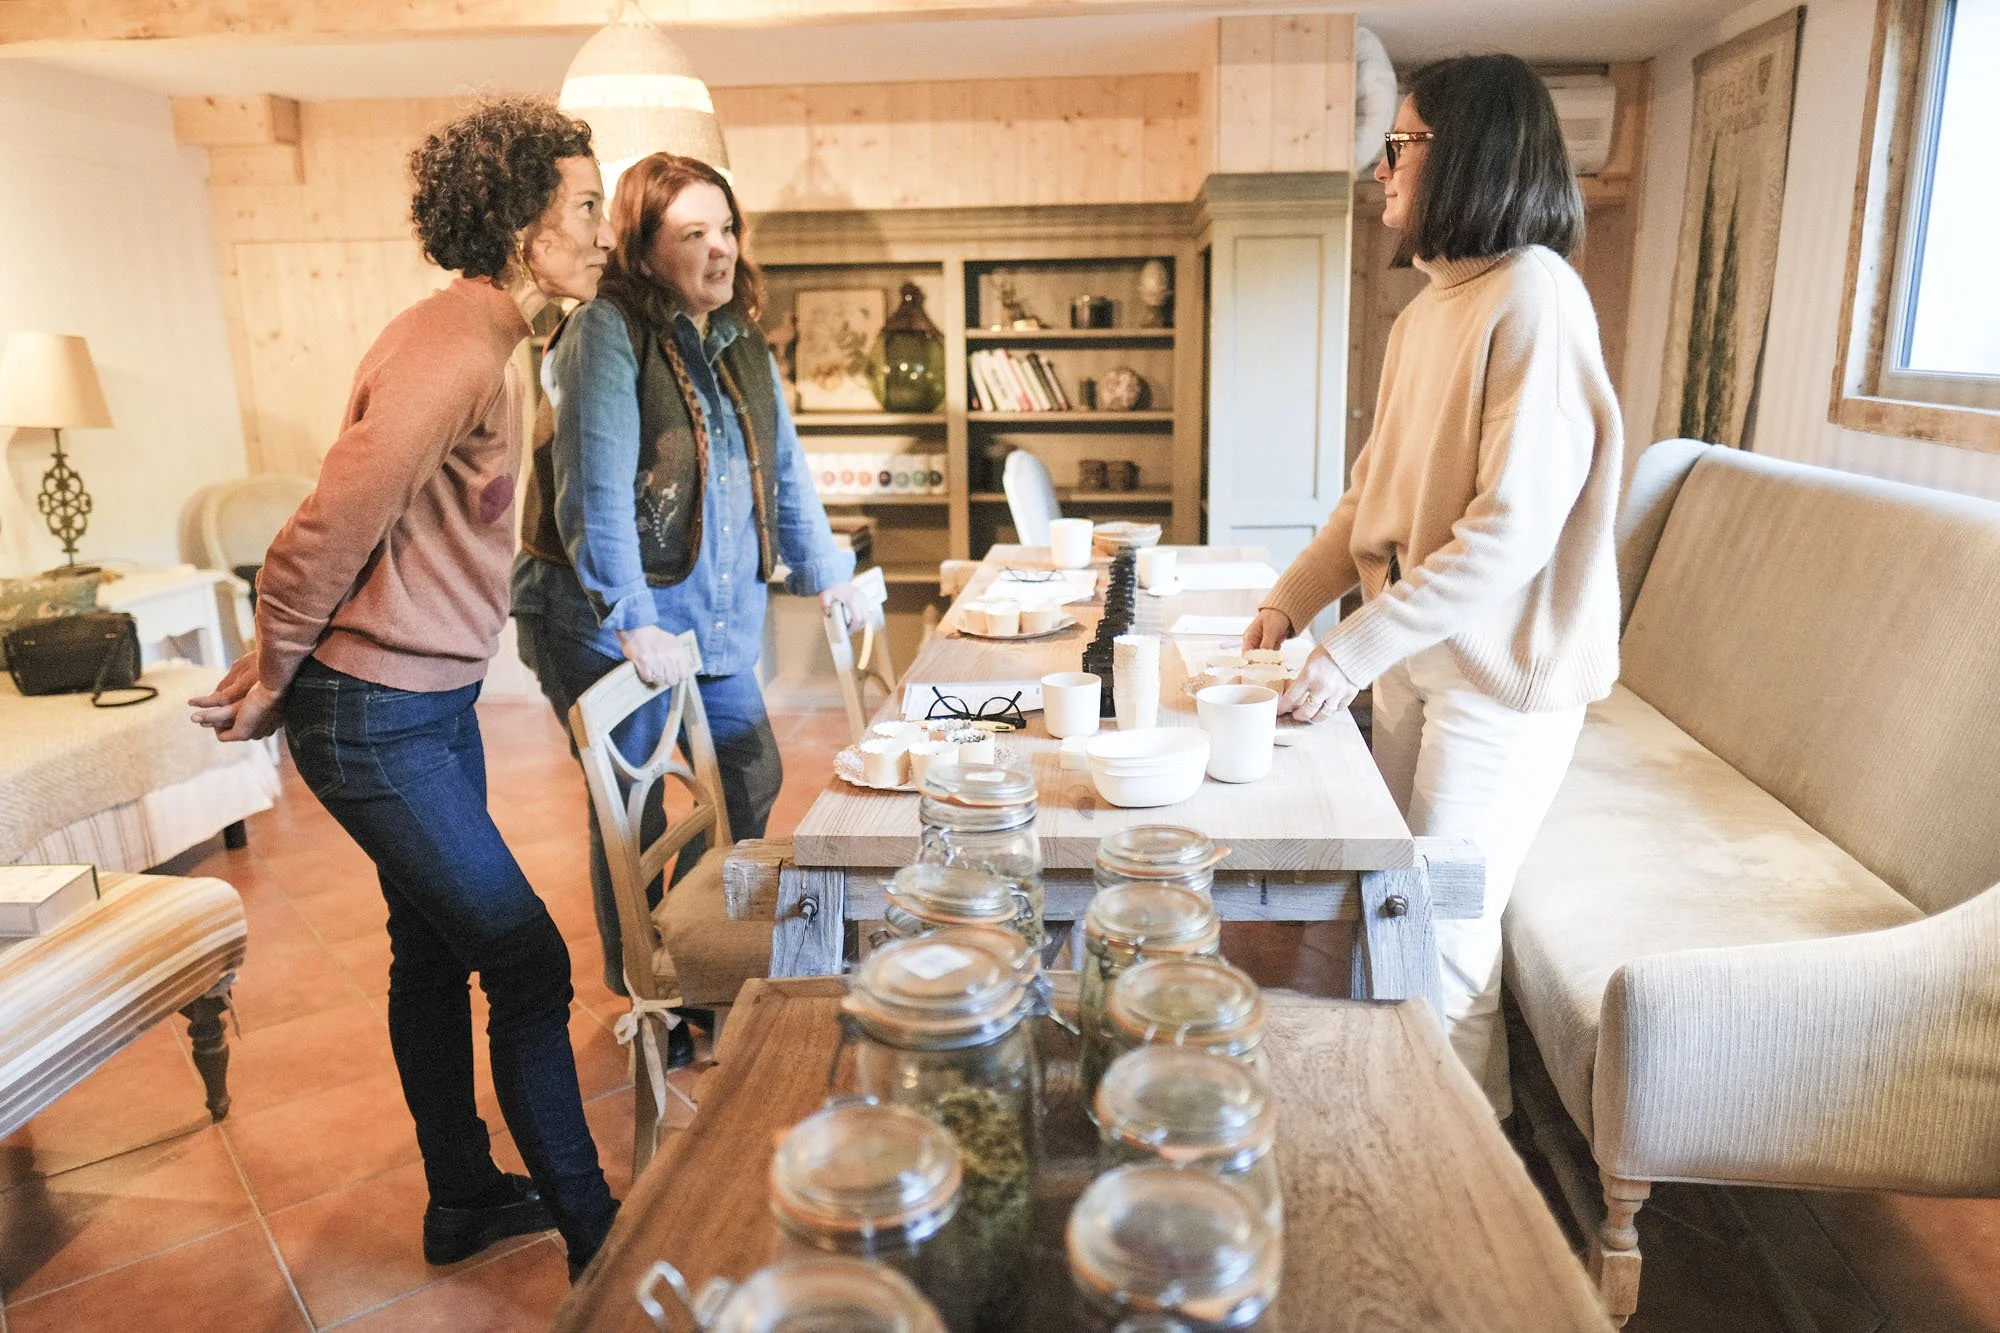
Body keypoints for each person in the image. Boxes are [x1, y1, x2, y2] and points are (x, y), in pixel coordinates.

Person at [189, 98, 621, 1277]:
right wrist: (277, 659)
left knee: (433, 953)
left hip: (421, 708)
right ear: (519, 221)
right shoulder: (454, 344)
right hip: (374, 719)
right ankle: (604, 1239)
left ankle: (465, 1199)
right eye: (585, 207)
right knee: (526, 960)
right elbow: (330, 519)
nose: (600, 230)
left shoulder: (494, 337)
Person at [1243, 55, 1623, 1116]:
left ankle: (1463, 1183)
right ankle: (1397, 1129)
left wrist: (1347, 649)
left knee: (1445, 935)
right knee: (1392, 911)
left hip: (1499, 684)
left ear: (1462, 155)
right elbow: (1367, 508)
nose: (1379, 166)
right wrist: (1288, 600)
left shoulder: (1535, 300)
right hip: (1419, 663)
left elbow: (1505, 536)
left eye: (1397, 144)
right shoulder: (1427, 313)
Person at [511, 152, 863, 1012]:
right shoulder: (605, 329)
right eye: (691, 233)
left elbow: (784, 468)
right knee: (637, 813)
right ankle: (651, 983)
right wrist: (630, 616)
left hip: (709, 609)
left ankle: (713, 933)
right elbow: (593, 486)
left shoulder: (740, 341)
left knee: (748, 767)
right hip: (598, 612)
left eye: (728, 229)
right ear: (641, 246)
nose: (720, 250)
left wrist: (827, 573)